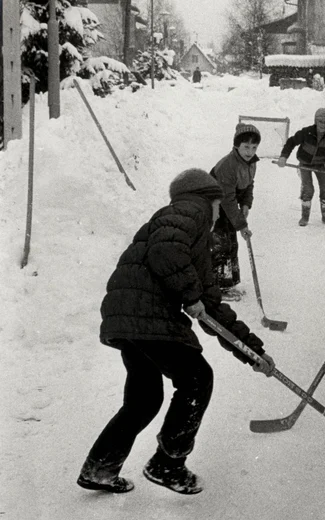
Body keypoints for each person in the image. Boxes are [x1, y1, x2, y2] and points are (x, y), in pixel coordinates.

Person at [77, 169, 275, 495]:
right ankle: (167, 465)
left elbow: (211, 305)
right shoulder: (189, 212)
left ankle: (100, 468)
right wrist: (189, 294)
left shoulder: (189, 233)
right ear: (207, 198)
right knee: (197, 378)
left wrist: (251, 351)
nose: (217, 214)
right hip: (148, 314)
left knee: (144, 399)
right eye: (218, 206)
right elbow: (164, 252)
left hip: (127, 315)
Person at [209, 123, 261, 301]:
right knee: (221, 244)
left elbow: (249, 185)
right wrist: (241, 225)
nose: (250, 151)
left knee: (231, 243)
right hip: (214, 205)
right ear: (237, 146)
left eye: (254, 147)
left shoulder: (251, 163)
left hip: (227, 205)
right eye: (246, 147)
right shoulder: (228, 166)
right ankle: (217, 287)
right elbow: (228, 200)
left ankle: (228, 283)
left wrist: (246, 204)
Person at [277, 108, 325, 227]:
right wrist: (283, 157)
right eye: (320, 121)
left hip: (319, 164)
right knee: (308, 188)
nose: (323, 124)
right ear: (315, 121)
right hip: (304, 164)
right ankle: (304, 217)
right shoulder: (306, 132)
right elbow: (291, 142)